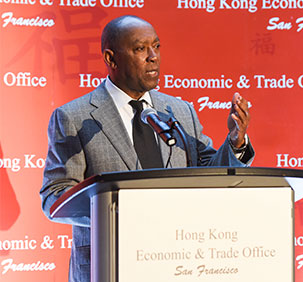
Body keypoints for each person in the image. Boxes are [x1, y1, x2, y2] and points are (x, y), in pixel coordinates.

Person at [40, 15, 254, 282]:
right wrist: (119, 212)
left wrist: (235, 142)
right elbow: (54, 199)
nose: (153, 57)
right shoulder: (75, 117)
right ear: (111, 58)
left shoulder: (178, 110)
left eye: (157, 46)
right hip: (110, 265)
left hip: (179, 262)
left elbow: (210, 173)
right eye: (140, 49)